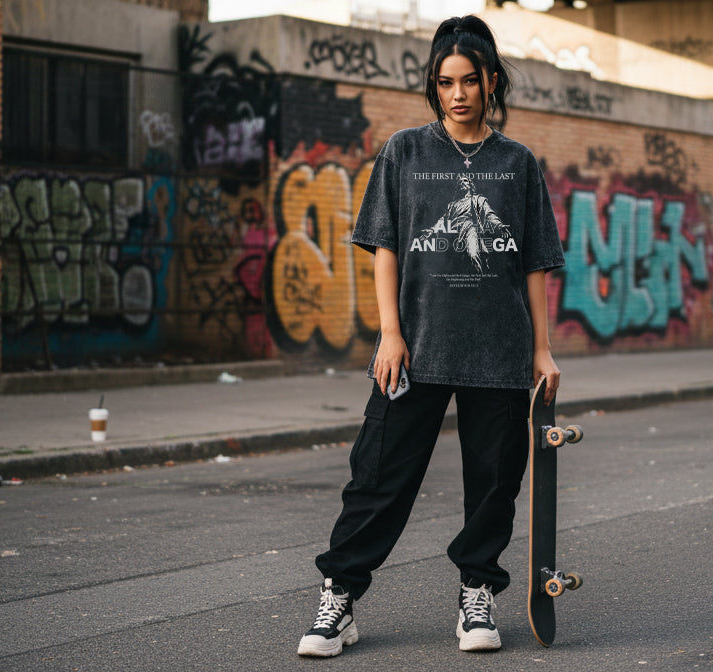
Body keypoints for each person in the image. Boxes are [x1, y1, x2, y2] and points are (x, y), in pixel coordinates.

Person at [296, 14, 565, 657]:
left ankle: (477, 594)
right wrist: (390, 334)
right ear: (434, 86)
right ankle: (340, 596)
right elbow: (385, 246)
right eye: (445, 83)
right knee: (377, 477)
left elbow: (533, 262)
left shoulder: (517, 163)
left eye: (469, 80)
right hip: (415, 347)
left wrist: (541, 348)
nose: (458, 94)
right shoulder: (405, 152)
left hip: (498, 348)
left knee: (494, 483)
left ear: (491, 81)